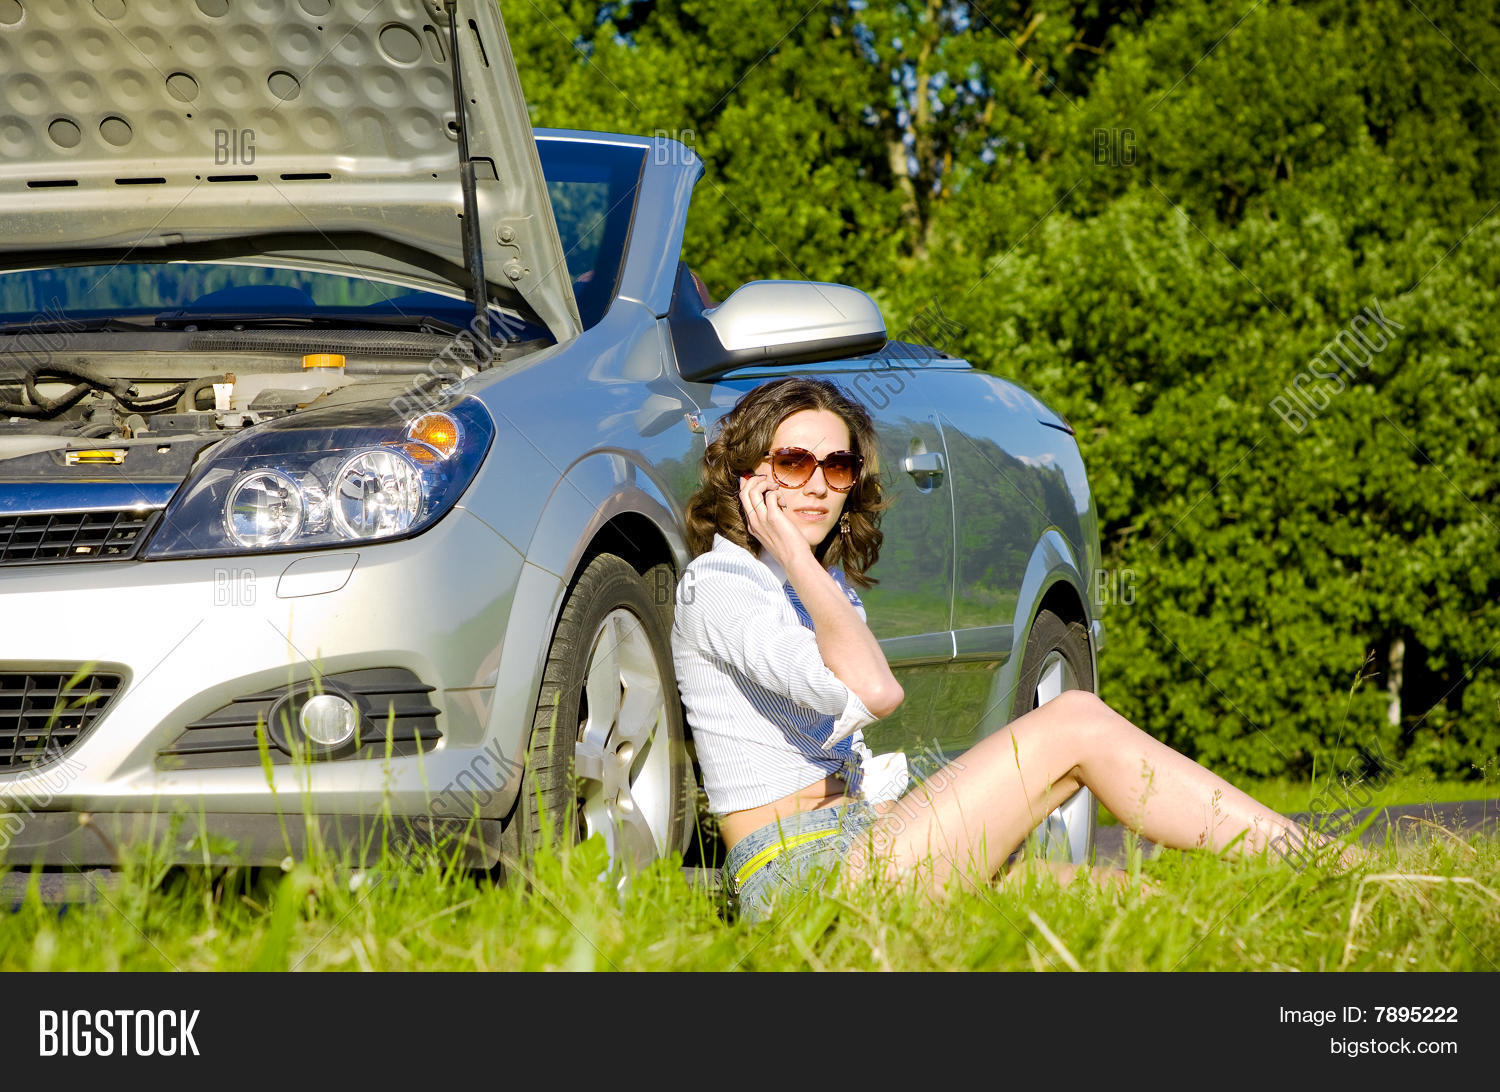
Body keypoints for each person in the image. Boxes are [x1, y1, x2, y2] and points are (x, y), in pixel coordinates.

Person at [670, 377, 1359, 921]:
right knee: (1076, 720)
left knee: (1125, 902)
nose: (818, 483)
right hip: (802, 882)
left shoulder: (819, 590)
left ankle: (1317, 912)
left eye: (838, 465)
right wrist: (791, 548)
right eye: (793, 462)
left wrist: (804, 567)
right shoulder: (720, 586)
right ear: (748, 475)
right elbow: (876, 694)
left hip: (863, 843)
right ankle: (1320, 860)